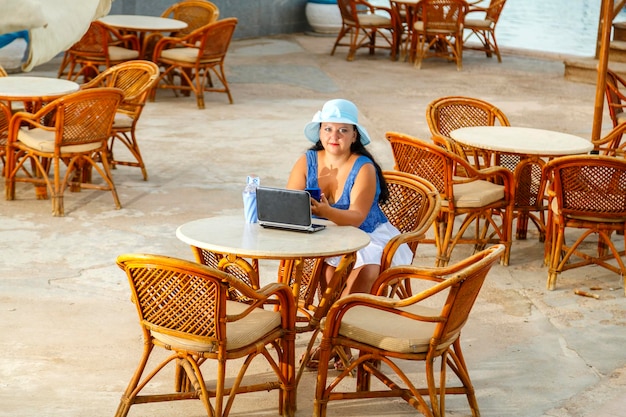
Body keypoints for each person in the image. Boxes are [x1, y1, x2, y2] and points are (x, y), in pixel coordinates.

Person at [287, 98, 413, 297]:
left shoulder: (364, 168)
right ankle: (331, 320)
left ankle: (344, 320)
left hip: (365, 234)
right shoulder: (306, 161)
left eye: (343, 130)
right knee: (325, 278)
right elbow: (290, 204)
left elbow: (357, 217)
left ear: (354, 135)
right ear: (320, 133)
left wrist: (327, 212)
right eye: (328, 129)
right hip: (324, 235)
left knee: (366, 271)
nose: (334, 136)